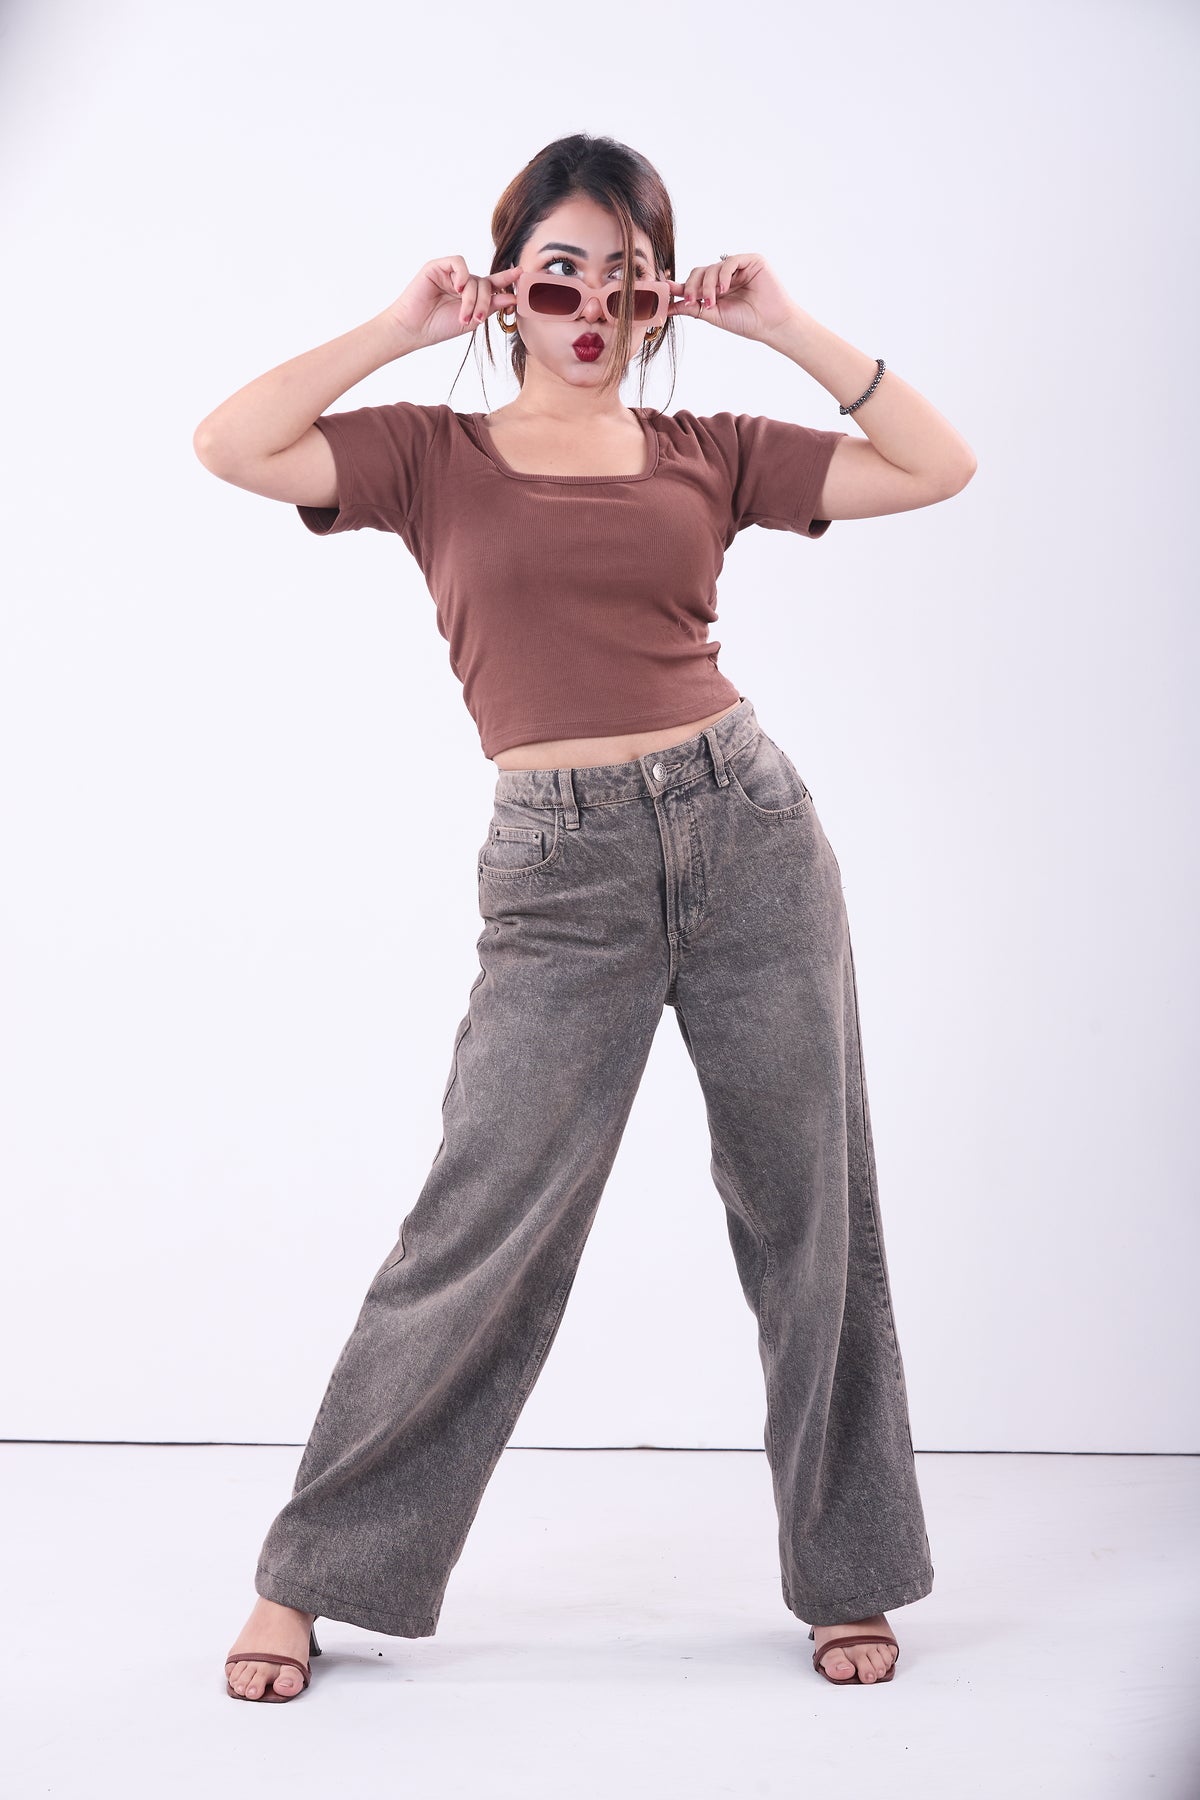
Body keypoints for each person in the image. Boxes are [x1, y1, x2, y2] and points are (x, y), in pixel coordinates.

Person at [195, 132, 976, 1703]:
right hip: (560, 880)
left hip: (749, 835)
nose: (595, 302)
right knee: (477, 1229)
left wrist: (786, 326)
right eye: (564, 269)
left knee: (811, 1216)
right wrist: (399, 326)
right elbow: (231, 443)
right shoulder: (430, 455)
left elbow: (936, 467)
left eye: (629, 274)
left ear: (658, 299)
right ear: (512, 287)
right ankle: (311, 1574)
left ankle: (848, 1572)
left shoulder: (708, 444)